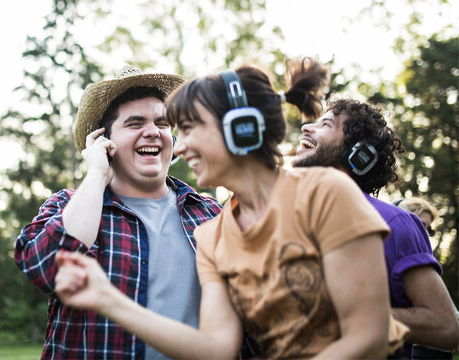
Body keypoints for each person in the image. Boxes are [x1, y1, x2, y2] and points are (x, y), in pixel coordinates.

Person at [53, 58, 409, 359]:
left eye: (189, 129)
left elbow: (370, 333)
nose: (178, 147)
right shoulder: (211, 235)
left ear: (240, 128)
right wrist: (109, 300)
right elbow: (217, 347)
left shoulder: (327, 192)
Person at [14, 66, 223, 359]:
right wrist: (97, 174)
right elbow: (48, 271)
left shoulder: (211, 213)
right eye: (135, 123)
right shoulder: (67, 206)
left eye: (162, 124)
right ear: (104, 142)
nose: (152, 132)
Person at [292, 98, 459, 358]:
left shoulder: (392, 224)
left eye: (326, 124)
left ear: (359, 153)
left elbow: (445, 325)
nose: (306, 128)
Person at [396, 197, 459, 359]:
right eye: (420, 224)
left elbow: (451, 315)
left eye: (428, 228)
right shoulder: (396, 259)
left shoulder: (424, 262)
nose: (424, 233)